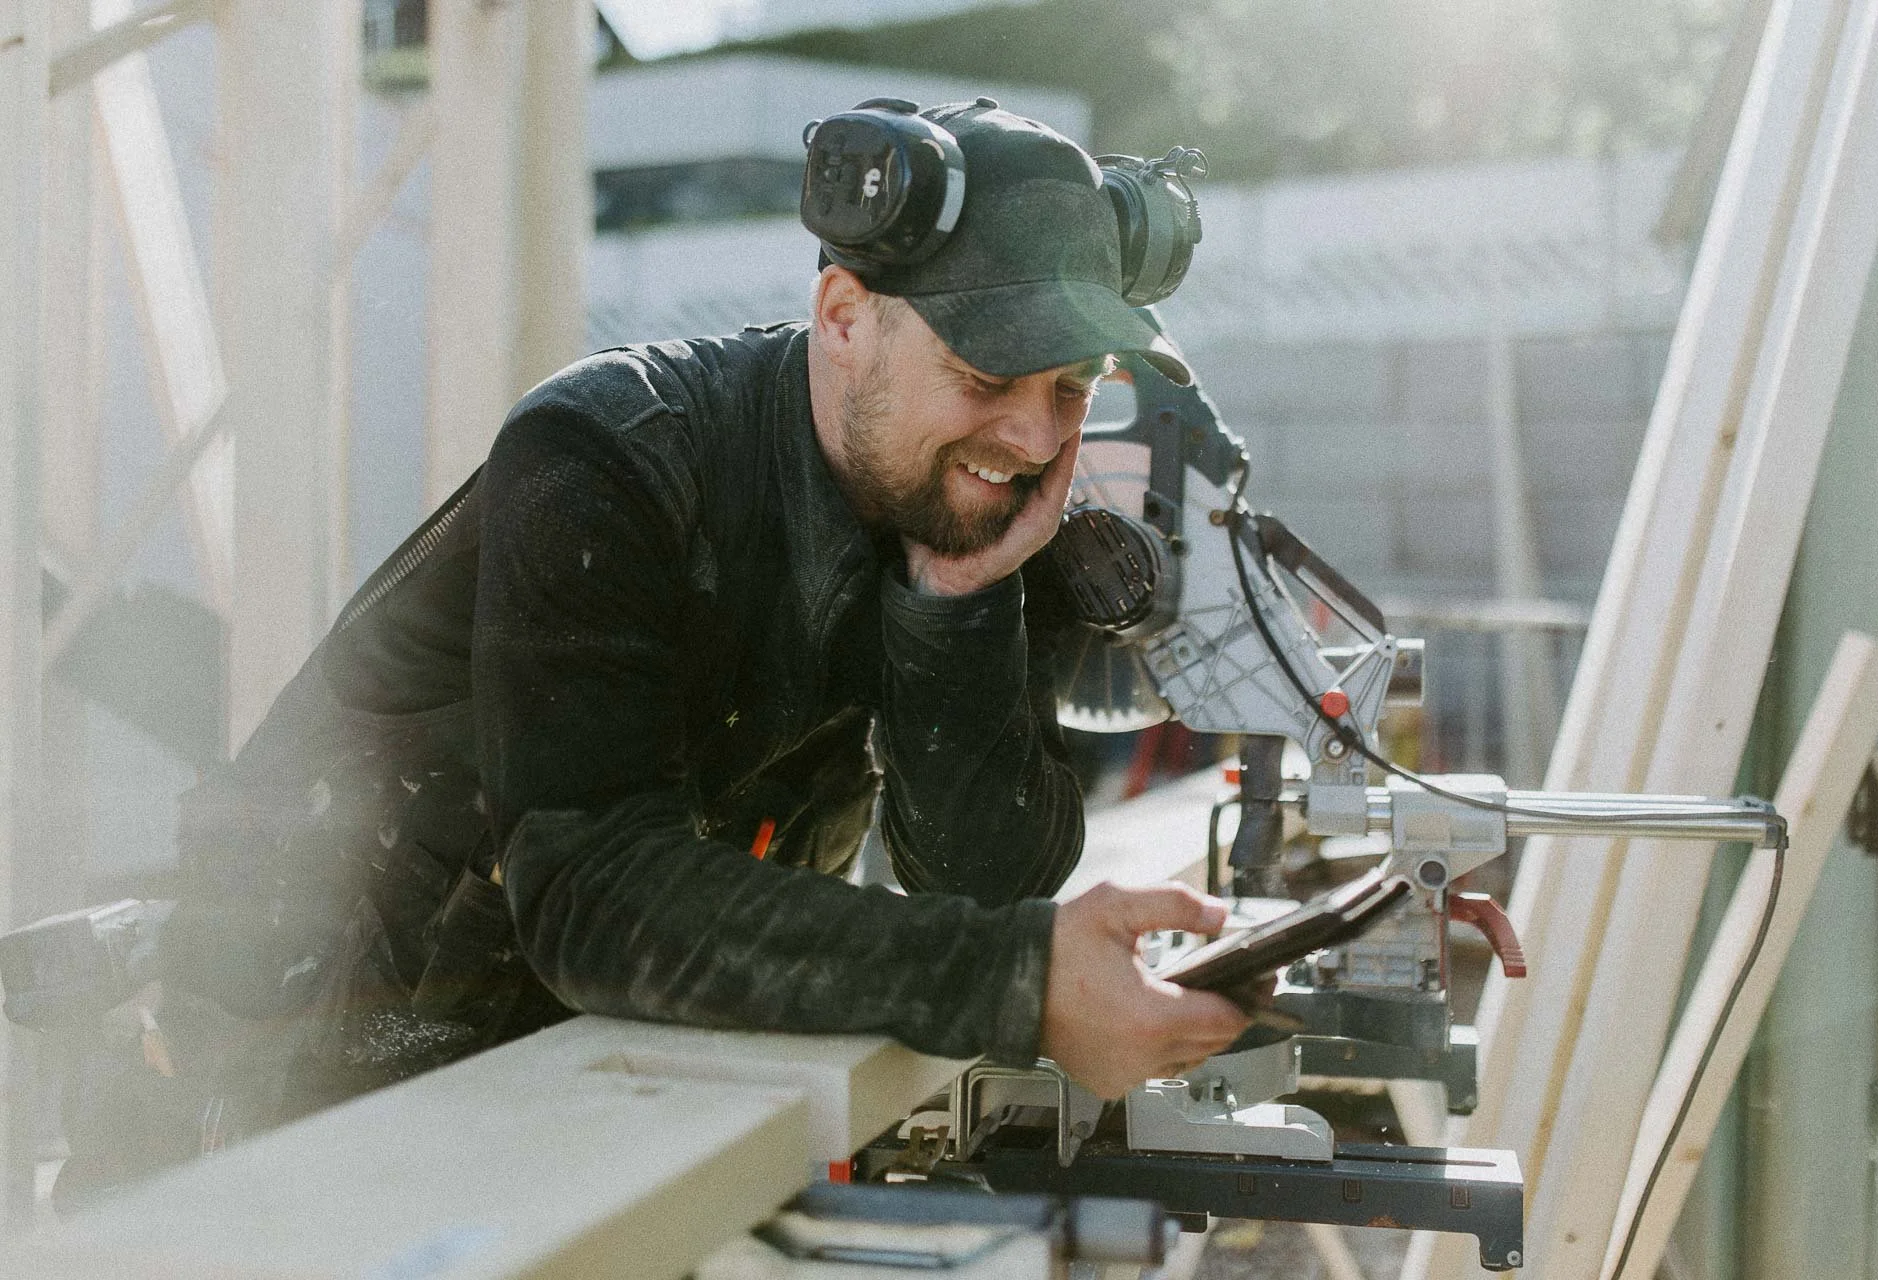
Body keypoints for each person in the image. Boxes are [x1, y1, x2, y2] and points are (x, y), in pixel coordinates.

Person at [58, 100, 1248, 1205]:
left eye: (1072, 384)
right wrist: (1018, 979)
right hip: (311, 1019)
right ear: (844, 318)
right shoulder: (604, 453)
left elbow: (987, 884)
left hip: (584, 1045)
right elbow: (588, 891)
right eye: (989, 376)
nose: (1038, 435)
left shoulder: (966, 498)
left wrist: (960, 605)